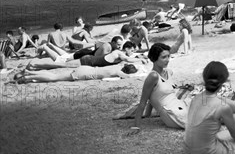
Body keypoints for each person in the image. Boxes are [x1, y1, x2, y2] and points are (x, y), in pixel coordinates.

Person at [131, 47, 235, 132]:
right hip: (173, 114)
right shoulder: (152, 76)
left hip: (181, 104)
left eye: (169, 56)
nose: (168, 60)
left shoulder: (168, 72)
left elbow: (155, 96)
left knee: (219, 100)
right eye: (164, 57)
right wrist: (137, 125)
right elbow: (145, 100)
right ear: (154, 59)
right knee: (217, 116)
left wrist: (149, 115)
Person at [13, 62, 141, 84]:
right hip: (83, 74)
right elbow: (128, 77)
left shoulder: (117, 66)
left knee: (56, 75)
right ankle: (28, 76)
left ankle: (29, 72)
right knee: (54, 78)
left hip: (85, 68)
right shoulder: (118, 72)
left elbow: (125, 66)